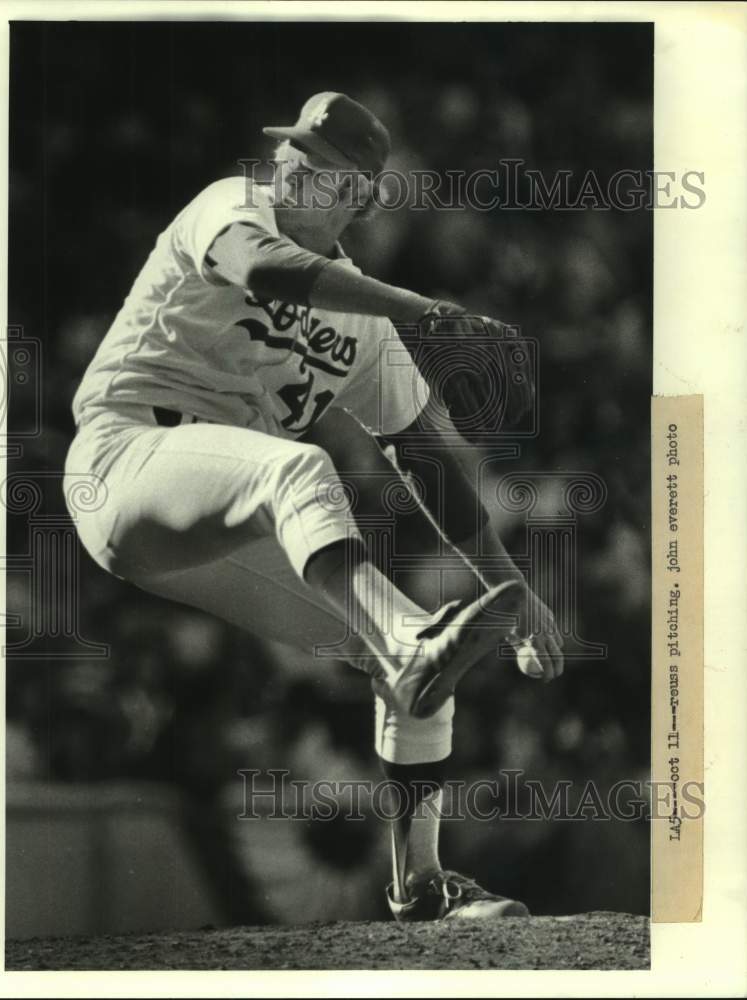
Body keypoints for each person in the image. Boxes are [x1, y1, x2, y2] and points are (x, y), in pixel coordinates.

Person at [63, 91, 564, 922]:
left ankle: (421, 884)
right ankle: (407, 642)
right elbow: (265, 270)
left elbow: (424, 456)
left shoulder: (362, 323)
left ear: (361, 197)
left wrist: (513, 592)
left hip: (224, 519)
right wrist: (427, 312)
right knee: (303, 473)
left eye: (321, 165)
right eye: (291, 152)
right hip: (124, 462)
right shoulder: (231, 205)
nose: (291, 168)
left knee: (403, 650)